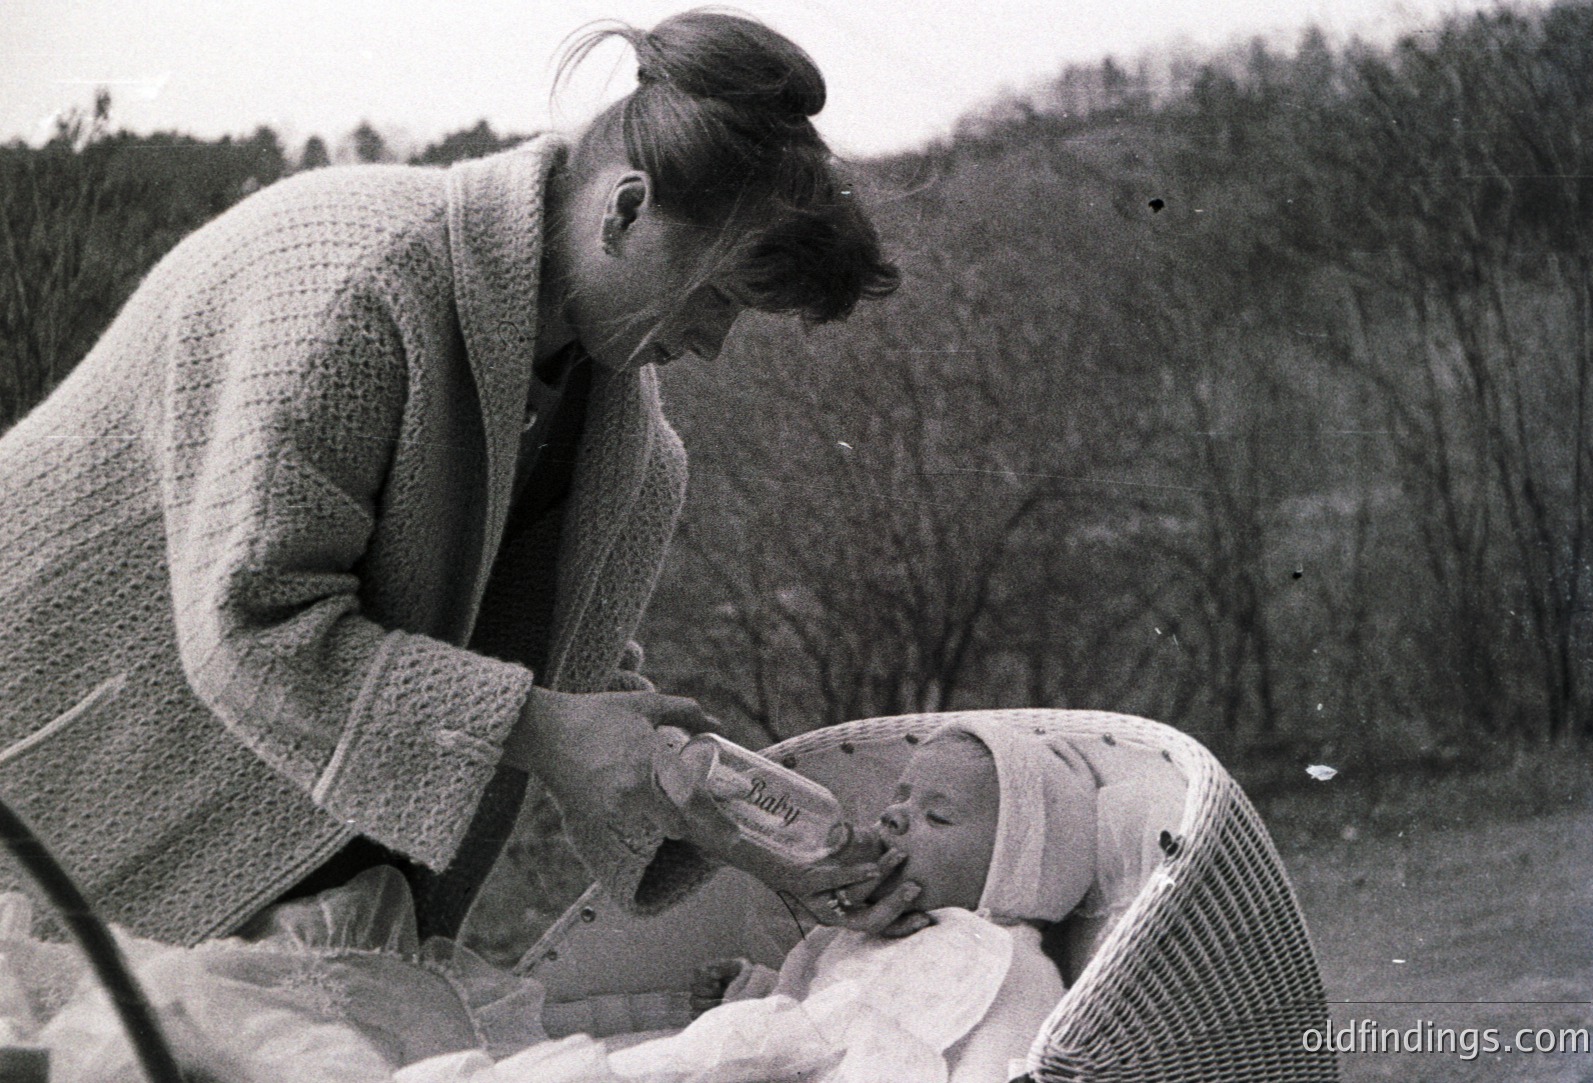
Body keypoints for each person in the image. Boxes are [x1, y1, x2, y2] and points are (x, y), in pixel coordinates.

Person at [0, 10, 906, 950]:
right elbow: (254, 628)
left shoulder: (635, 456)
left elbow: (570, 680)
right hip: (54, 771)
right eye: (718, 295)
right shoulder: (353, 285)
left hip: (270, 869)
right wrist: (547, 729)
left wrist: (741, 825)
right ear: (625, 208)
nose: (714, 346)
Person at [8, 717, 1101, 1083]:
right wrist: (765, 980)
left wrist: (776, 1020)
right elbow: (809, 1019)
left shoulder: (994, 958)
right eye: (900, 800)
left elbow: (895, 1054)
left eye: (941, 820)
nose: (898, 820)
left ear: (1018, 876)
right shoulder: (891, 946)